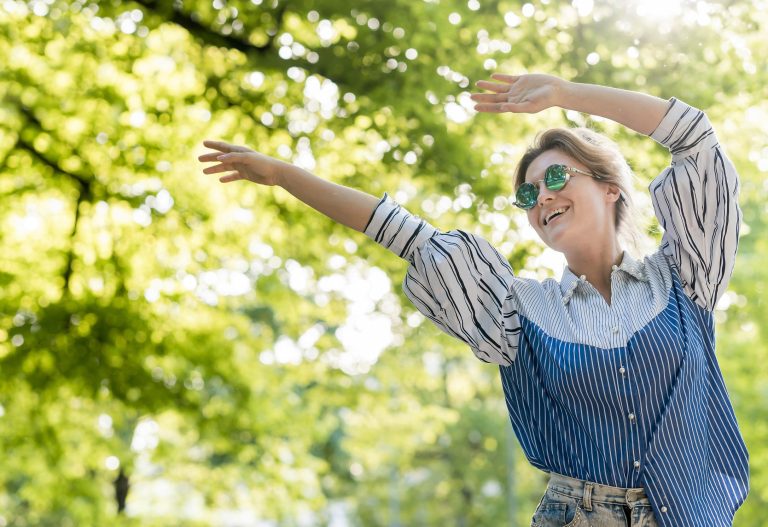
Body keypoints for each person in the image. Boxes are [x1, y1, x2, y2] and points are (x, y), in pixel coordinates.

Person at [199, 73, 748, 527]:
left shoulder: (682, 280)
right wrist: (285, 175)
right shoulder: (519, 311)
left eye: (556, 176)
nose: (543, 198)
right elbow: (405, 234)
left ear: (610, 188)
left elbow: (695, 139)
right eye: (528, 194)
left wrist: (563, 94)